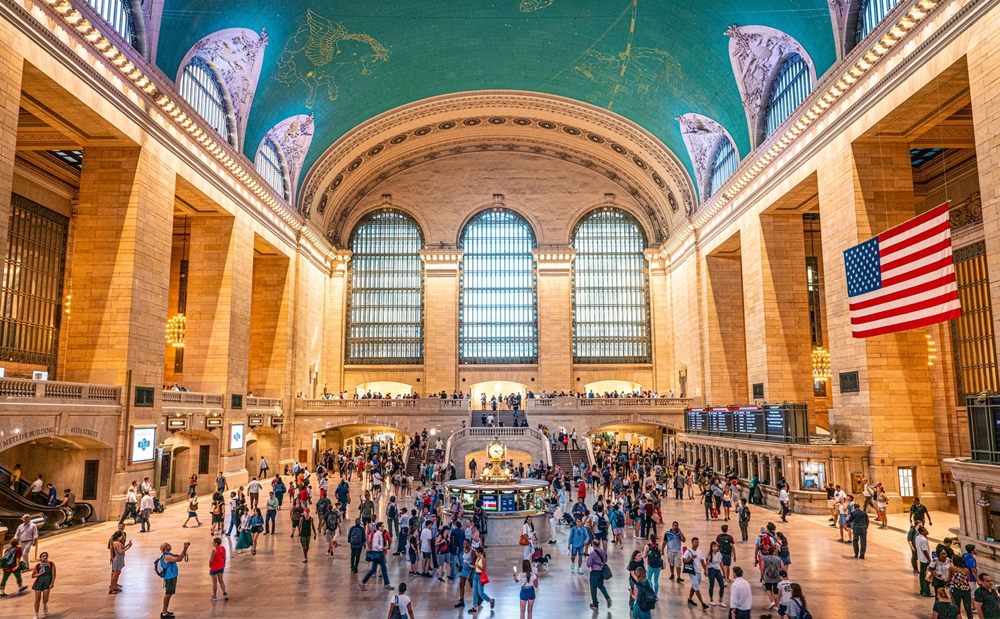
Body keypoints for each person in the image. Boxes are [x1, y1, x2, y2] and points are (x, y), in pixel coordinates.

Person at [157, 541, 189, 619]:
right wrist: (185, 549)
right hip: (169, 577)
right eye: (168, 545)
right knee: (168, 594)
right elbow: (180, 559)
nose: (170, 545)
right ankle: (164, 612)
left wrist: (185, 550)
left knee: (169, 594)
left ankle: (165, 611)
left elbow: (180, 556)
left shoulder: (170, 555)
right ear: (164, 548)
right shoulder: (166, 557)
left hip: (172, 576)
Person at [361, 522, 393, 590]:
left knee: (376, 569)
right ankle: (386, 584)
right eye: (382, 526)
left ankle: (363, 582)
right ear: (379, 527)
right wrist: (383, 548)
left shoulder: (379, 534)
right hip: (378, 553)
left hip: (378, 553)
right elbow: (375, 545)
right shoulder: (377, 535)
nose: (383, 528)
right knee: (382, 569)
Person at [683, 537, 708, 609]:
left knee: (694, 586)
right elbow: (684, 561)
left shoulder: (699, 551)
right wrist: (691, 558)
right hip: (692, 572)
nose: (697, 544)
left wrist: (705, 570)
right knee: (696, 587)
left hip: (698, 572)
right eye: (695, 542)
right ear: (692, 543)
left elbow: (702, 561)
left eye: (698, 542)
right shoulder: (688, 552)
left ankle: (690, 598)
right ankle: (702, 603)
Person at [29, 551, 54, 619]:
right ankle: (36, 614)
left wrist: (52, 583)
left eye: (46, 555)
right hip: (39, 582)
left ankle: (45, 603)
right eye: (43, 556)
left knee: (45, 598)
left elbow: (53, 574)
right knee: (37, 598)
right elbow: (33, 575)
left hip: (47, 581)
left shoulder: (51, 564)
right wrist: (39, 574)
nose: (45, 557)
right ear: (40, 558)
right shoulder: (38, 566)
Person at [586, 540, 611, 610]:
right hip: (601, 571)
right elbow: (605, 559)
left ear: (593, 545)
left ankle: (595, 603)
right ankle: (607, 597)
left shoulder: (592, 553)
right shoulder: (603, 551)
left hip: (595, 572)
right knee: (601, 585)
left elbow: (588, 564)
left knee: (593, 588)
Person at [469, 547, 494, 613]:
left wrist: (478, 565)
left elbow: (484, 569)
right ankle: (475, 606)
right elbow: (475, 567)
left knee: (481, 592)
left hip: (480, 576)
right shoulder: (478, 558)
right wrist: (470, 565)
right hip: (476, 575)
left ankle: (490, 600)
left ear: (479, 552)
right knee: (475, 591)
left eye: (476, 552)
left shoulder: (483, 559)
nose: (475, 553)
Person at [706, 540, 726, 608]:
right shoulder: (709, 554)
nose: (715, 548)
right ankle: (711, 599)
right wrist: (706, 571)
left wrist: (723, 572)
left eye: (716, 546)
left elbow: (721, 563)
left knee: (722, 585)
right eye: (714, 546)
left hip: (717, 570)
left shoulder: (719, 554)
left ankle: (721, 600)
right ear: (711, 547)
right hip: (711, 570)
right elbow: (707, 563)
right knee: (712, 585)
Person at [208, 537, 228, 601]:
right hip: (221, 567)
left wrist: (209, 565)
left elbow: (211, 560)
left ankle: (214, 596)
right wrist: (223, 564)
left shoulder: (214, 550)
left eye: (213, 542)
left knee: (214, 582)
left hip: (214, 568)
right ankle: (225, 593)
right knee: (221, 580)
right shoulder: (223, 548)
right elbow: (224, 557)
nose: (212, 543)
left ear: (216, 543)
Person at [917, 526, 934, 597]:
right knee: (927, 576)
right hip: (925, 560)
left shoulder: (918, 537)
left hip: (921, 558)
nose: (927, 531)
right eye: (925, 530)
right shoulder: (923, 540)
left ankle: (922, 589)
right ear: (921, 532)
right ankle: (926, 591)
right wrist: (930, 560)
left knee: (922, 575)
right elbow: (925, 551)